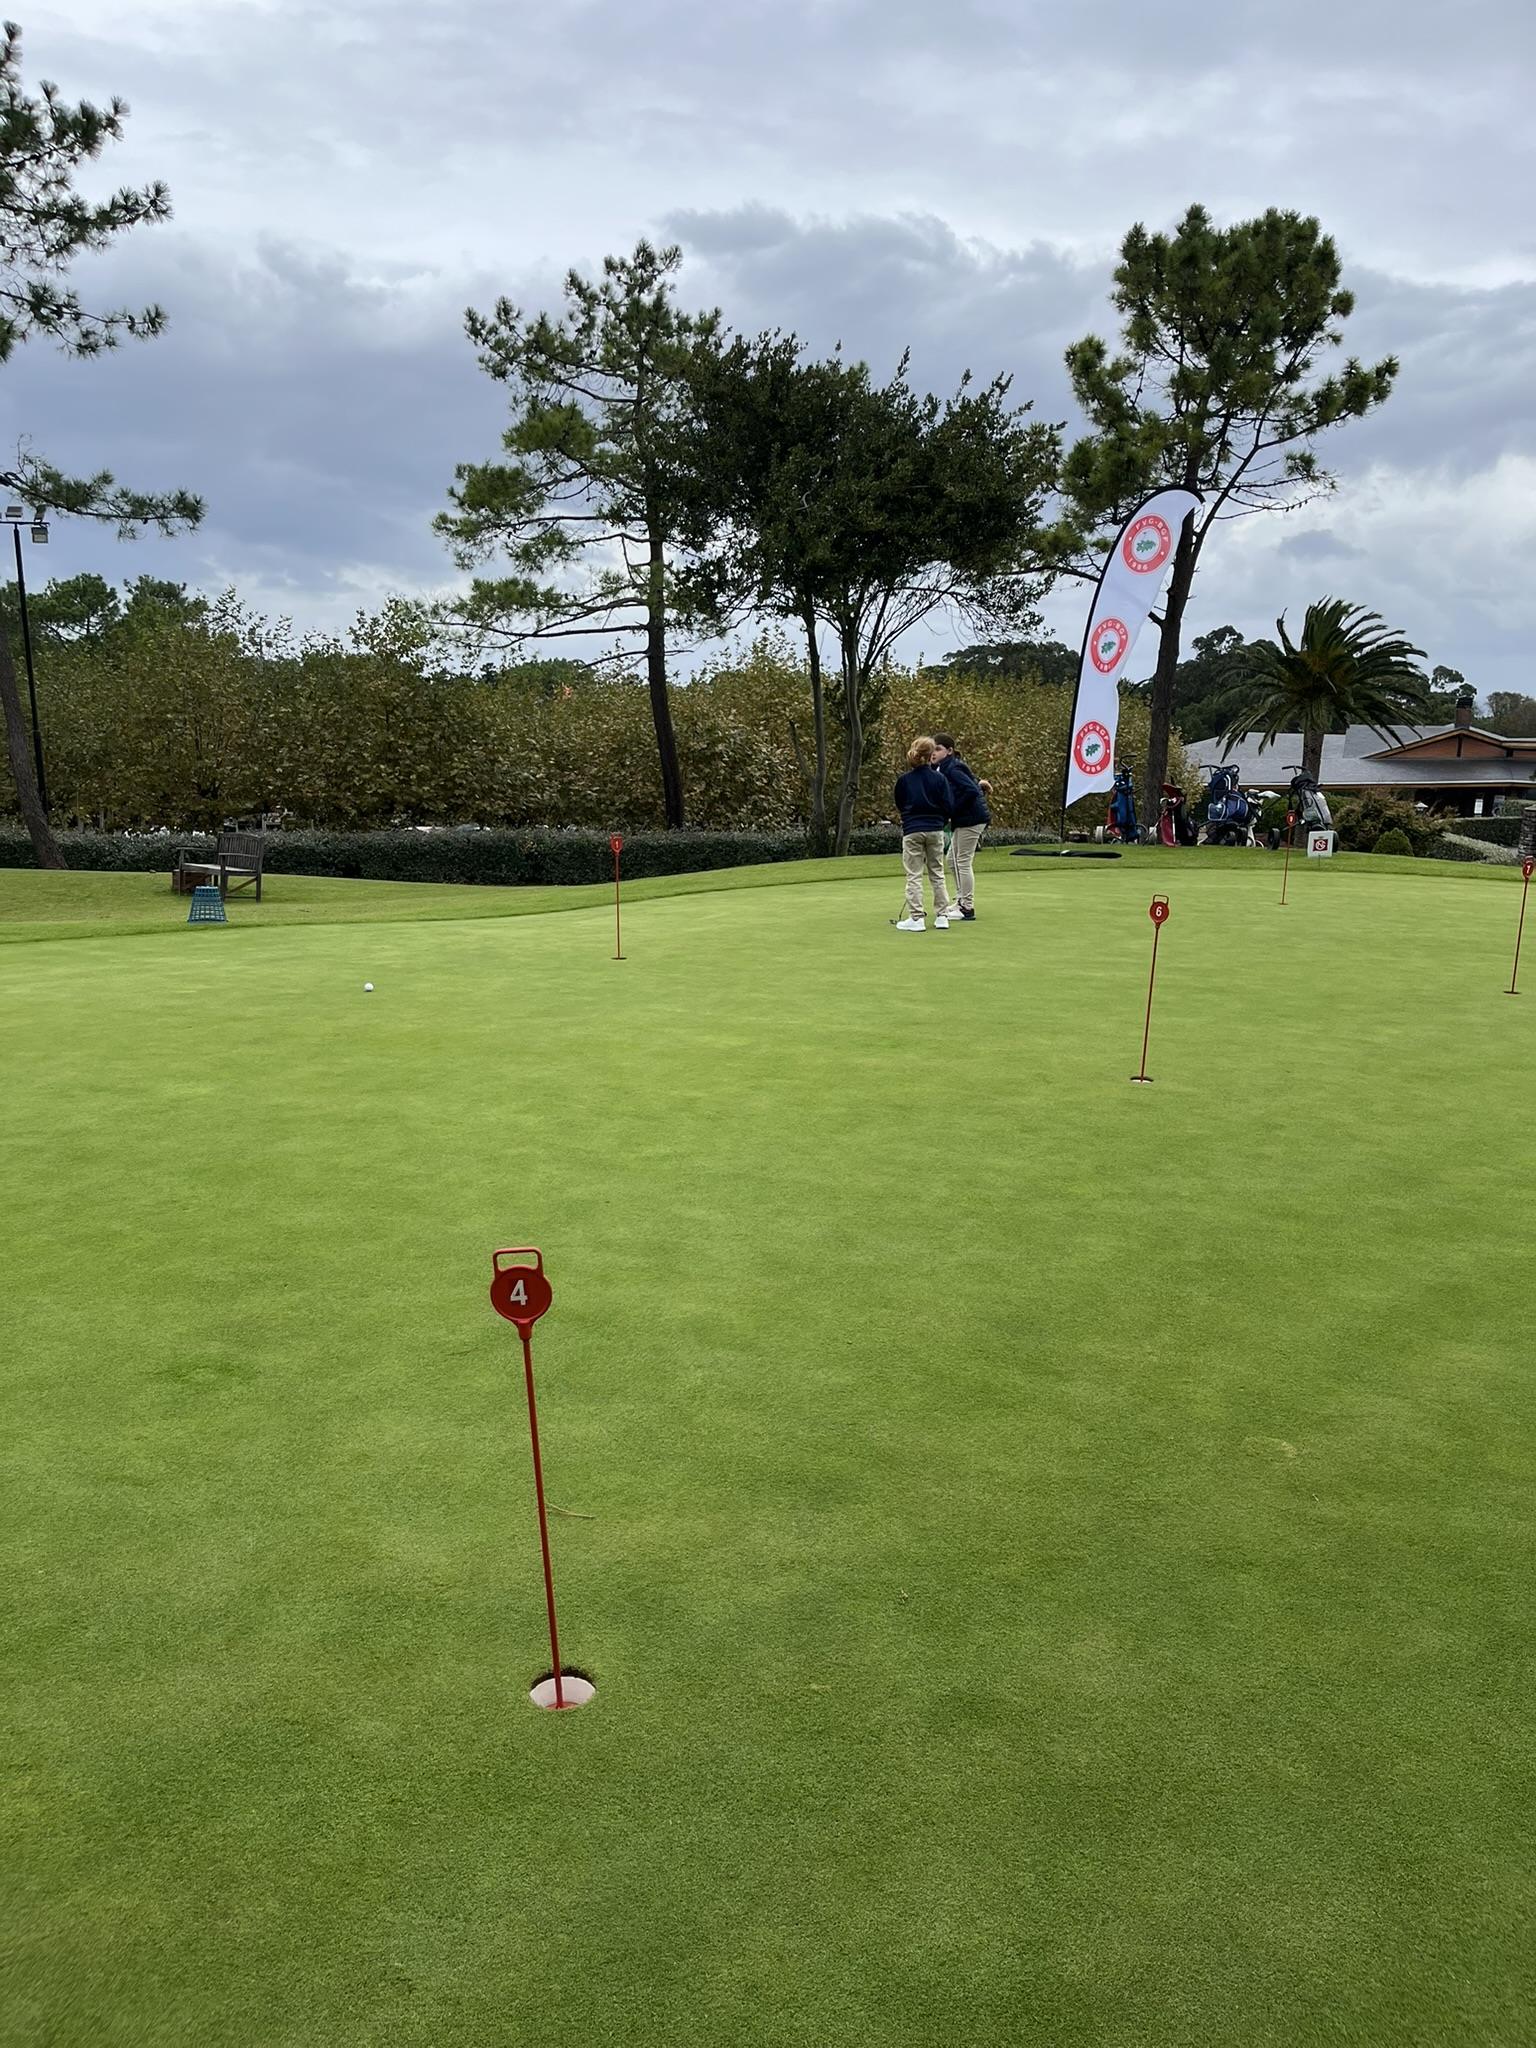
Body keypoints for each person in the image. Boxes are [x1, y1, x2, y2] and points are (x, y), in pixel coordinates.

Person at [891, 736, 955, 931]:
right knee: (937, 873)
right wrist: (940, 820)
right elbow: (948, 805)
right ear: (930, 755)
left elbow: (900, 803)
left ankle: (917, 918)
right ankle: (942, 916)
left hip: (913, 829)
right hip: (935, 829)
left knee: (914, 875)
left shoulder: (904, 780)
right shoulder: (939, 778)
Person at [930, 734, 991, 921]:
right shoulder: (944, 768)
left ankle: (967, 907)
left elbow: (971, 791)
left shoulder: (952, 768)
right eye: (932, 749)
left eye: (938, 749)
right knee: (952, 859)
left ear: (949, 751)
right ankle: (960, 900)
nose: (933, 753)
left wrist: (952, 809)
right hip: (964, 819)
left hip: (971, 819)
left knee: (962, 861)